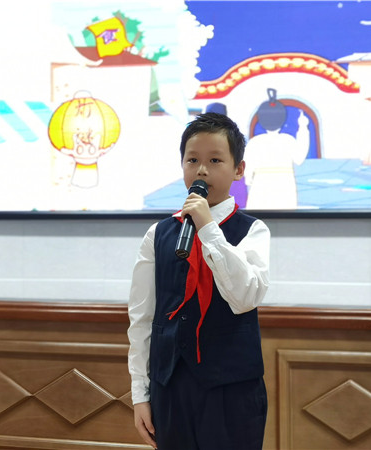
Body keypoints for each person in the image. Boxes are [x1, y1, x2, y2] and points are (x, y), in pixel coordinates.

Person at [127, 112, 270, 450]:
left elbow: (246, 297)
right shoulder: (159, 234)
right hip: (170, 386)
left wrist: (208, 228)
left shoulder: (252, 230)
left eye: (215, 160)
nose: (202, 170)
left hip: (231, 390)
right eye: (192, 160)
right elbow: (142, 318)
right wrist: (140, 394)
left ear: (238, 169)